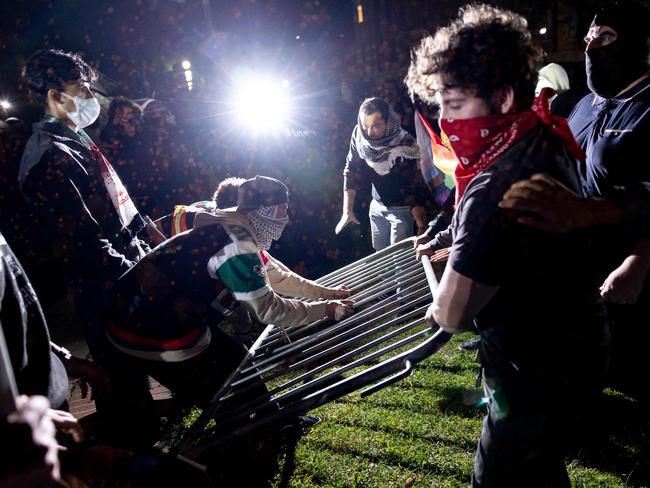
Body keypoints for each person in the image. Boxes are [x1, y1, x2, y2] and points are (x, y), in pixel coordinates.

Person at [406, 4, 609, 486]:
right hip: (579, 351)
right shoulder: (543, 136)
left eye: (454, 106)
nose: (446, 121)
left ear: (500, 98)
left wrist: (439, 306)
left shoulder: (494, 182)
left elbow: (452, 314)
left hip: (531, 373)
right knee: (541, 469)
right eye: (441, 107)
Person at [101, 176, 354, 443]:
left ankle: (271, 421)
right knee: (222, 395)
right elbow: (268, 309)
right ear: (264, 211)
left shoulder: (232, 222)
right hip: (151, 328)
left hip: (146, 315)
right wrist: (324, 310)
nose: (287, 218)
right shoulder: (237, 241)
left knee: (235, 357)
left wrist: (325, 292)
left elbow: (277, 275)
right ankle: (237, 446)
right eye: (283, 210)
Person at [499, 0, 650, 402]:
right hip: (579, 266)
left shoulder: (648, 108)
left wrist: (639, 260)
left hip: (630, 271)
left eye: (605, 37)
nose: (591, 47)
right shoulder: (584, 104)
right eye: (588, 37)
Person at [335, 97, 428, 251]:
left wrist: (421, 223)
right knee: (381, 257)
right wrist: (347, 211)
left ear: (388, 122)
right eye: (366, 126)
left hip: (400, 210)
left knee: (401, 262)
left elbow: (413, 183)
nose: (369, 132)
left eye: (376, 126)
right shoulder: (359, 134)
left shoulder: (404, 142)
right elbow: (351, 168)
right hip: (376, 206)